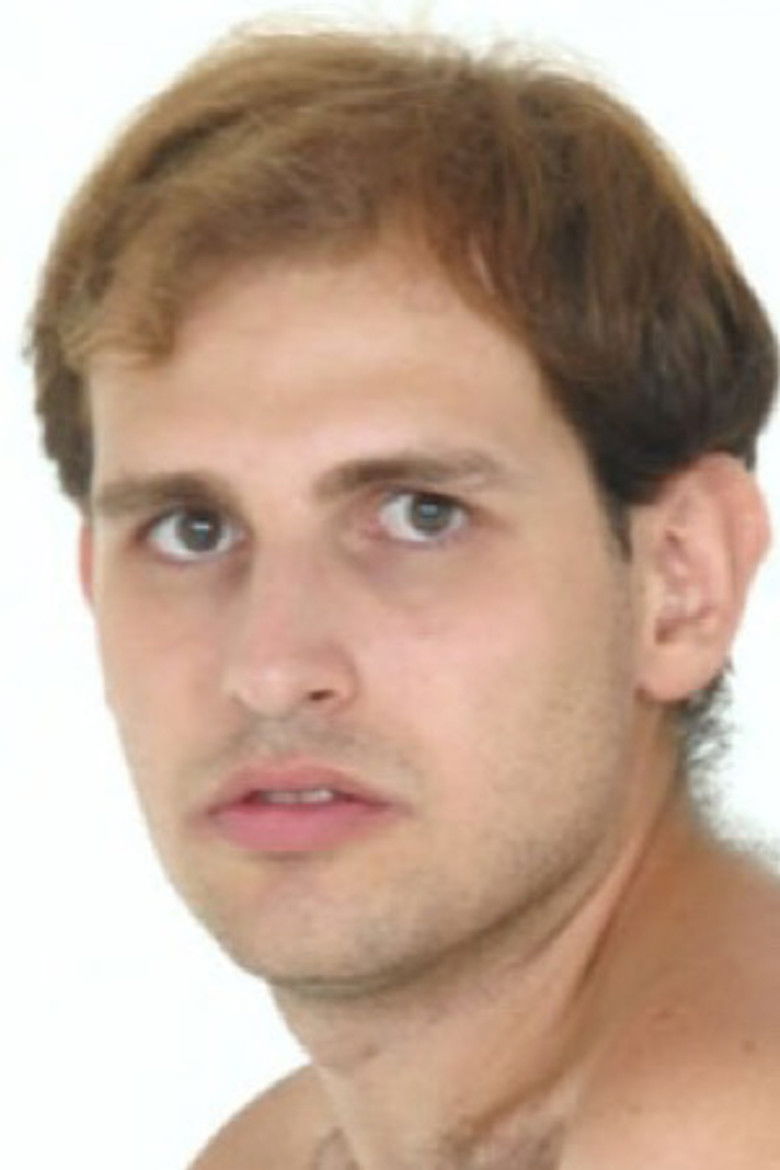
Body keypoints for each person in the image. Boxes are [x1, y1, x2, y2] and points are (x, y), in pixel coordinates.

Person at [27, 25, 780, 1169]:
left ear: (682, 581)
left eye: (421, 514)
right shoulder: (274, 1153)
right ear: (93, 588)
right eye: (192, 530)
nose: (271, 668)